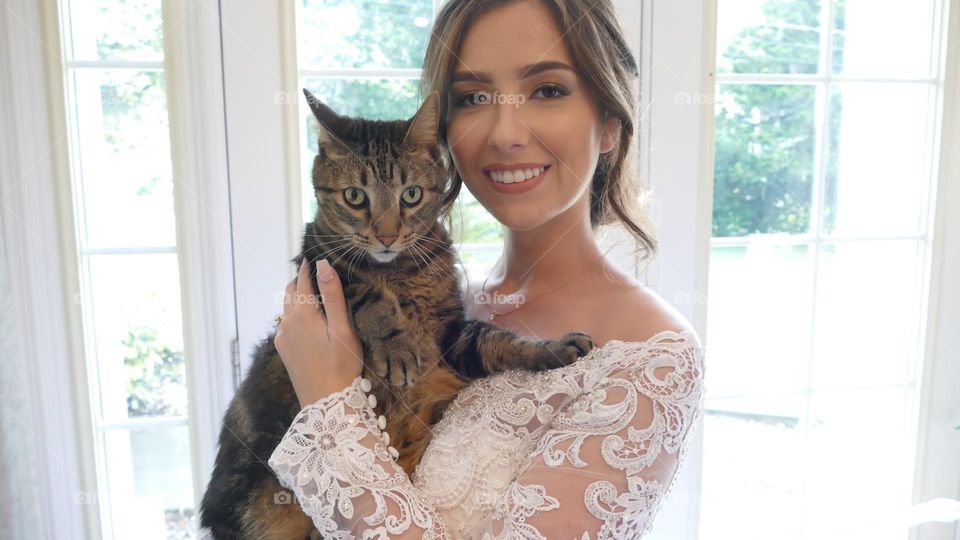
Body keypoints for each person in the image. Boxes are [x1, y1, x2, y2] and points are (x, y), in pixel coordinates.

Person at [268, 0, 706, 537]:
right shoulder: (454, 299)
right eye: (473, 97)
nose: (505, 133)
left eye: (547, 90)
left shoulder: (652, 356)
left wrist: (328, 404)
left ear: (610, 120)